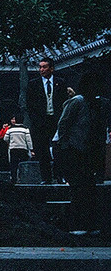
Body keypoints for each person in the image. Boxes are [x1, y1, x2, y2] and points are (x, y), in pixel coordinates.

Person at [54, 71, 108, 232]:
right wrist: (64, 146)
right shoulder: (77, 102)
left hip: (87, 151)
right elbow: (63, 124)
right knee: (78, 188)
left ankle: (88, 224)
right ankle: (77, 223)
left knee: (88, 188)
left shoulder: (98, 104)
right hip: (73, 149)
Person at [25, 56, 68, 184]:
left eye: (44, 67)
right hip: (40, 121)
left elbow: (64, 101)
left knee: (58, 149)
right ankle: (46, 178)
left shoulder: (61, 82)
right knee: (42, 150)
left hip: (56, 120)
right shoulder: (33, 84)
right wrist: (36, 120)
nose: (42, 69)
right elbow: (29, 104)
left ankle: (60, 175)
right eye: (40, 67)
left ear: (51, 68)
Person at [1, 115, 33, 184]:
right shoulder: (25, 129)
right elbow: (28, 140)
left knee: (13, 164)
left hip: (13, 148)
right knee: (22, 163)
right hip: (23, 148)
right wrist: (31, 149)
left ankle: (14, 179)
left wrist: (11, 142)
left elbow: (5, 138)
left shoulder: (10, 129)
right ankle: (23, 178)